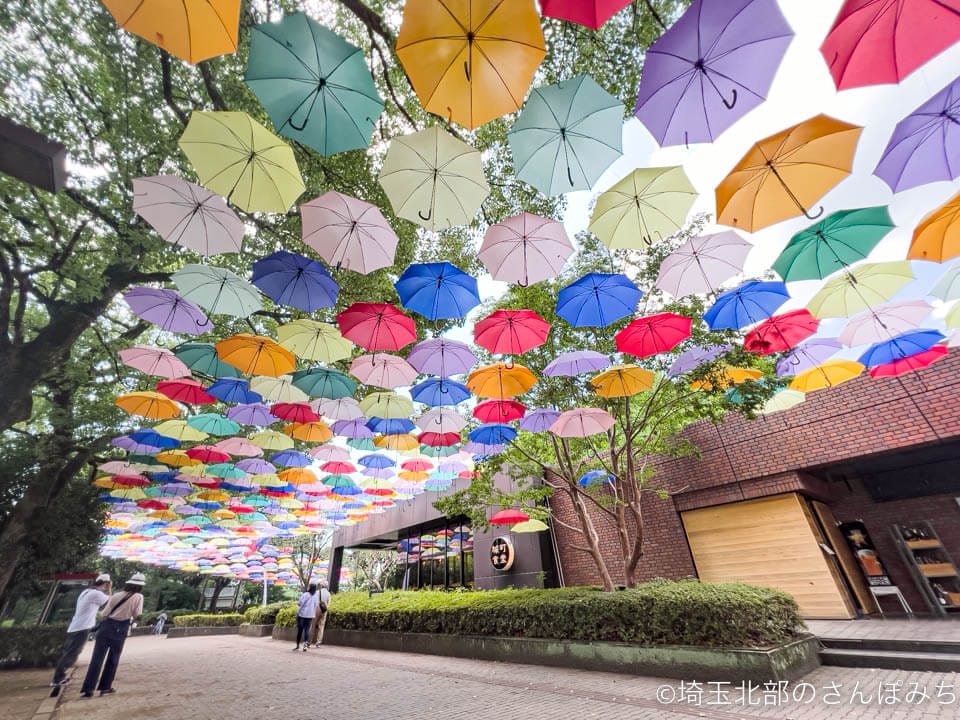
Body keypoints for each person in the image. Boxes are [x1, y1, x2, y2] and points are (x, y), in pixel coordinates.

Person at [80, 572, 145, 698]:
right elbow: (137, 614)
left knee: (96, 659)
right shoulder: (139, 597)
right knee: (113, 658)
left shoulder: (116, 595)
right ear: (140, 586)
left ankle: (88, 690)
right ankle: (105, 687)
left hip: (106, 626)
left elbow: (105, 613)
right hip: (120, 629)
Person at [50, 574, 112, 688]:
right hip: (81, 628)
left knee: (69, 652)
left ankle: (59, 677)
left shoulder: (86, 592)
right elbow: (109, 600)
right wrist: (109, 588)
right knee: (72, 654)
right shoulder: (96, 594)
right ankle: (57, 679)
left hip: (76, 627)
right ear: (105, 583)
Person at [294, 583, 319, 652]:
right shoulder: (316, 596)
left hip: (302, 614)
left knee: (300, 630)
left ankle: (298, 645)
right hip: (310, 615)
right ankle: (305, 646)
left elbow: (300, 603)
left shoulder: (305, 594)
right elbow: (316, 605)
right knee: (307, 630)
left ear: (309, 587)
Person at [308, 581, 331, 648]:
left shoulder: (317, 592)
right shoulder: (328, 594)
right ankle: (318, 643)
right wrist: (324, 609)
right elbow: (329, 604)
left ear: (321, 586)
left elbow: (314, 601)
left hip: (316, 610)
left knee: (312, 626)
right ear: (327, 586)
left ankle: (309, 642)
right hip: (324, 611)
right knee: (321, 626)